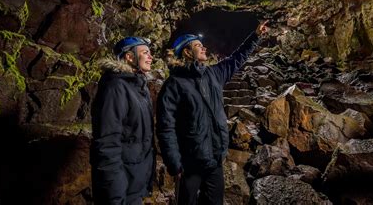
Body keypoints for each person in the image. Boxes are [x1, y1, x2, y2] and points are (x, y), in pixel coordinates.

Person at [157, 21, 269, 205]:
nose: (204, 48)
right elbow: (165, 126)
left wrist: (255, 35)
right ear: (187, 52)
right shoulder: (174, 84)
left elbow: (237, 58)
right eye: (198, 46)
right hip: (189, 164)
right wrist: (174, 163)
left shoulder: (213, 74)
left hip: (214, 161)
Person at [90, 36, 156, 205]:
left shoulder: (139, 88)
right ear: (130, 57)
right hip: (121, 189)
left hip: (134, 184)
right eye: (145, 53)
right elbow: (107, 143)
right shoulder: (115, 88)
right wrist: (115, 195)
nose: (151, 57)